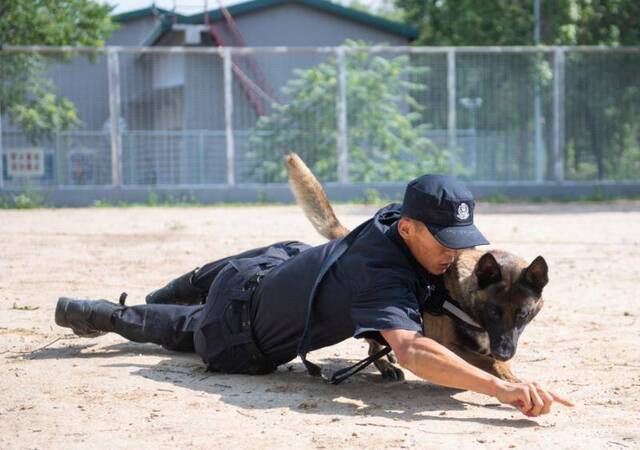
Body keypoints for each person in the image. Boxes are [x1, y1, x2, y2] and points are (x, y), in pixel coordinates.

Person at [55, 174, 573, 417]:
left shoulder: (394, 220)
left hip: (271, 265)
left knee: (278, 254)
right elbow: (413, 351)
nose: (454, 254)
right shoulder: (383, 276)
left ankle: (175, 286)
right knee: (182, 325)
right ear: (413, 229)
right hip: (240, 330)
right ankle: (105, 313)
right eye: (445, 242)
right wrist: (500, 388)